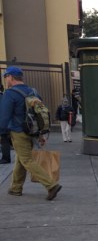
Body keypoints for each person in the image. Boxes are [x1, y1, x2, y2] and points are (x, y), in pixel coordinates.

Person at [0, 66, 62, 200]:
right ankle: (15, 188)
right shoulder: (33, 91)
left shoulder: (10, 94)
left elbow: (4, 116)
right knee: (21, 159)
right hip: (32, 131)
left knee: (27, 160)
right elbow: (39, 114)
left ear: (10, 77)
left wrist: (2, 133)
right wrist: (40, 134)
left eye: (6, 77)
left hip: (18, 132)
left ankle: (51, 185)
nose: (5, 80)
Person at [0, 83, 11, 164]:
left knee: (4, 140)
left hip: (3, 123)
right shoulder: (4, 96)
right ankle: (6, 158)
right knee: (5, 140)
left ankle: (6, 158)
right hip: (7, 122)